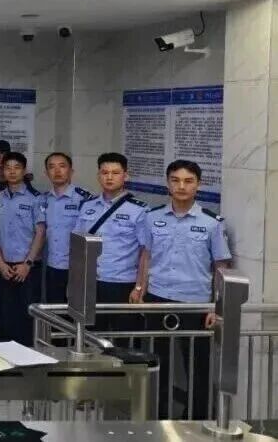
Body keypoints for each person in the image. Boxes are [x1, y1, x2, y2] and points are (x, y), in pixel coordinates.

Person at [136, 160, 232, 420]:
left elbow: (221, 267)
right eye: (175, 180)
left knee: (198, 365)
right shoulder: (153, 217)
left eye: (188, 181)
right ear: (167, 183)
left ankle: (198, 418)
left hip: (195, 303)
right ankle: (158, 415)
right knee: (157, 362)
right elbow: (146, 255)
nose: (181, 186)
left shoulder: (212, 223)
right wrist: (140, 287)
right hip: (158, 299)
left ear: (198, 185)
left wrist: (217, 305)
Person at [73, 153, 149, 343]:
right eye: (105, 172)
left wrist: (139, 287)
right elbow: (78, 244)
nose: (109, 177)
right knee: (90, 338)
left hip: (122, 284)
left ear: (126, 175)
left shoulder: (139, 210)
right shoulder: (87, 206)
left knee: (124, 340)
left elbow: (145, 252)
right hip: (90, 282)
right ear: (98, 175)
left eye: (115, 173)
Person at [0, 152, 46, 346]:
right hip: (4, 267)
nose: (12, 172)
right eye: (8, 168)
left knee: (26, 315)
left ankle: (26, 353)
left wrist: (27, 263)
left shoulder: (36, 199)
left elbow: (41, 233)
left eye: (17, 168)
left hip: (28, 268)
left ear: (24, 171)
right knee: (4, 314)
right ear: (3, 171)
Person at [42, 153, 94, 304]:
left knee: (76, 310)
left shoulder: (85, 199)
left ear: (71, 171)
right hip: (52, 265)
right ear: (46, 173)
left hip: (78, 267)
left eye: (62, 166)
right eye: (52, 167)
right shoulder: (43, 199)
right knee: (53, 309)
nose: (57, 171)